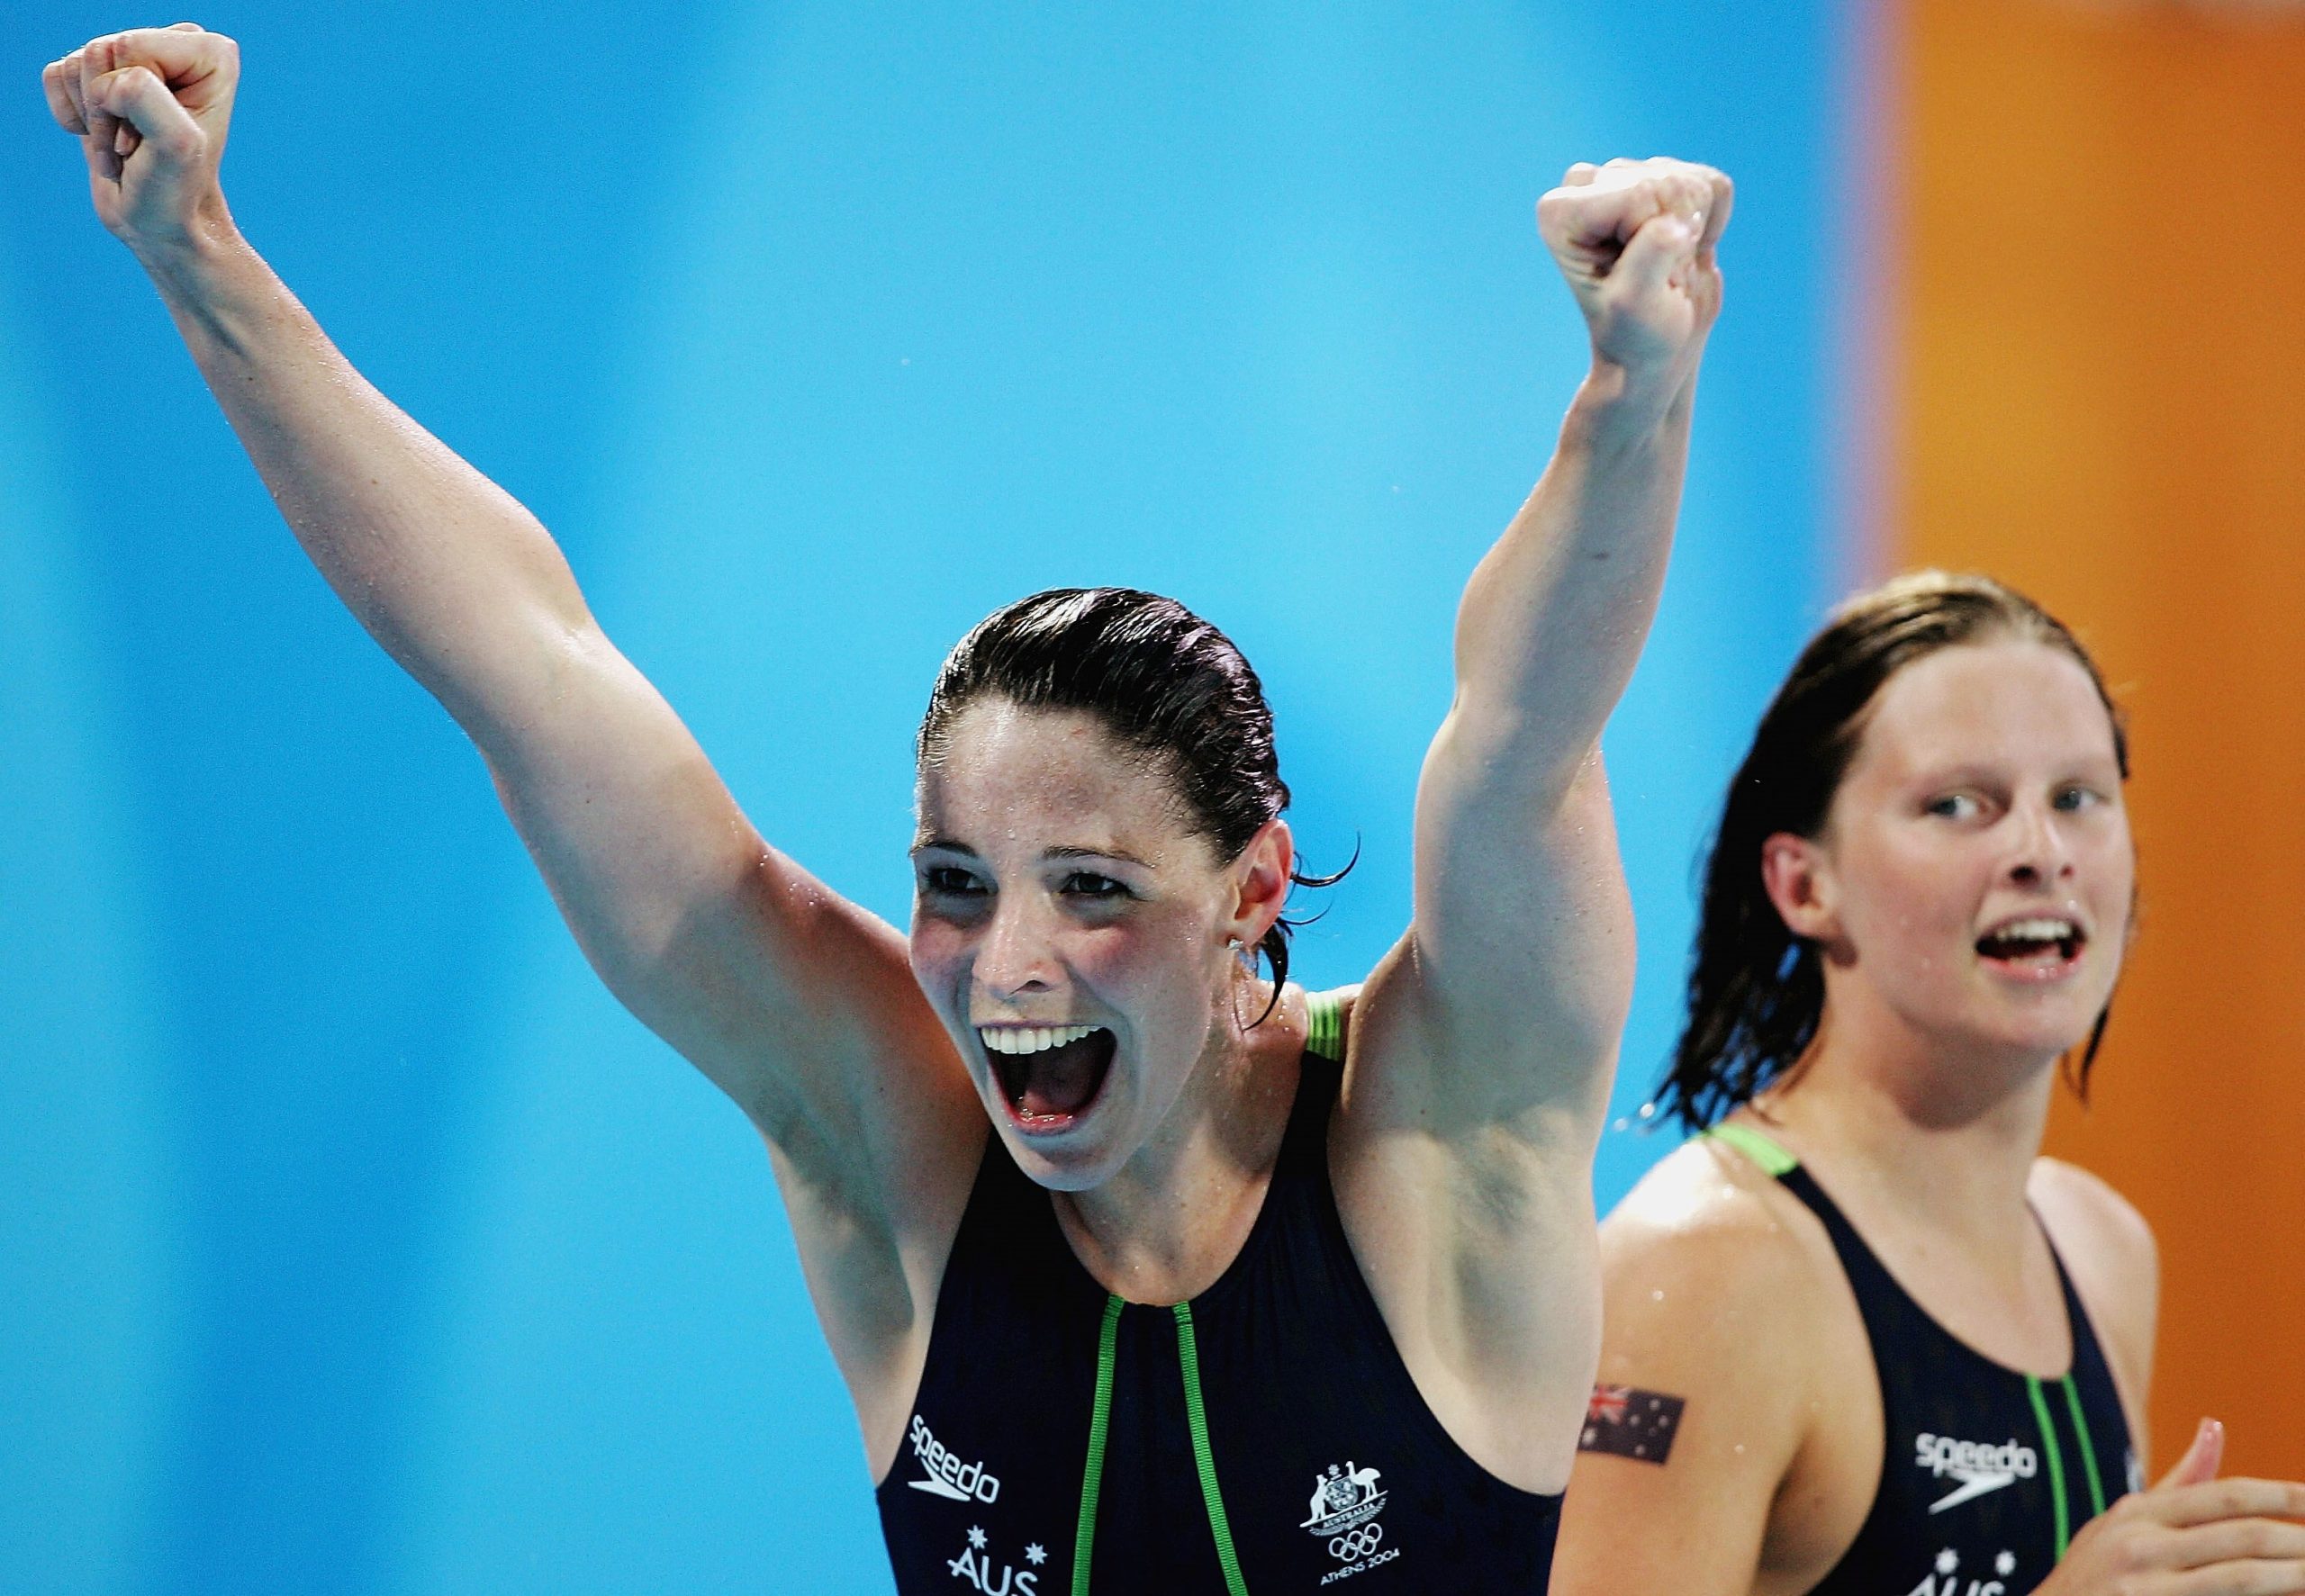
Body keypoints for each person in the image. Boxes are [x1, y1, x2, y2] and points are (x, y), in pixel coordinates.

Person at [44, 23, 1731, 1591]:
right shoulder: (892, 1148)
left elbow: (1522, 737)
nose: (1007, 963)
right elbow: (530, 672)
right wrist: (202, 260)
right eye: (955, 879)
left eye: (1090, 887)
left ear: (1253, 881)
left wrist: (1631, 397)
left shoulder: (1449, 1132)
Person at [1550, 573, 2305, 1596]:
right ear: (1803, 885)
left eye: (2076, 798)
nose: (2040, 852)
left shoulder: (2100, 1251)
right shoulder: (1702, 1279)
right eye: (1957, 804)